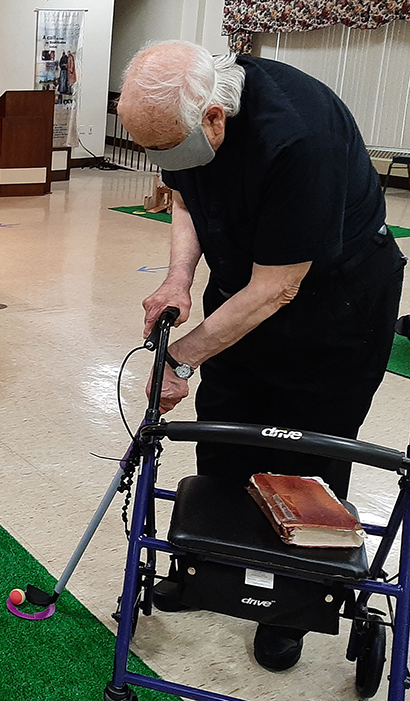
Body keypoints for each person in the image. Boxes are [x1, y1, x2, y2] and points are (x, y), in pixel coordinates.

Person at [118, 41, 405, 672]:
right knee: (226, 434)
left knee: (305, 455)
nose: (162, 165)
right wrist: (178, 279)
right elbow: (187, 196)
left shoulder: (300, 137)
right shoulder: (188, 120)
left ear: (215, 120)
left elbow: (280, 286)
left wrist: (183, 359)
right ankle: (209, 572)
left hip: (336, 306)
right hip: (245, 287)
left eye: (168, 148)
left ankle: (291, 609)